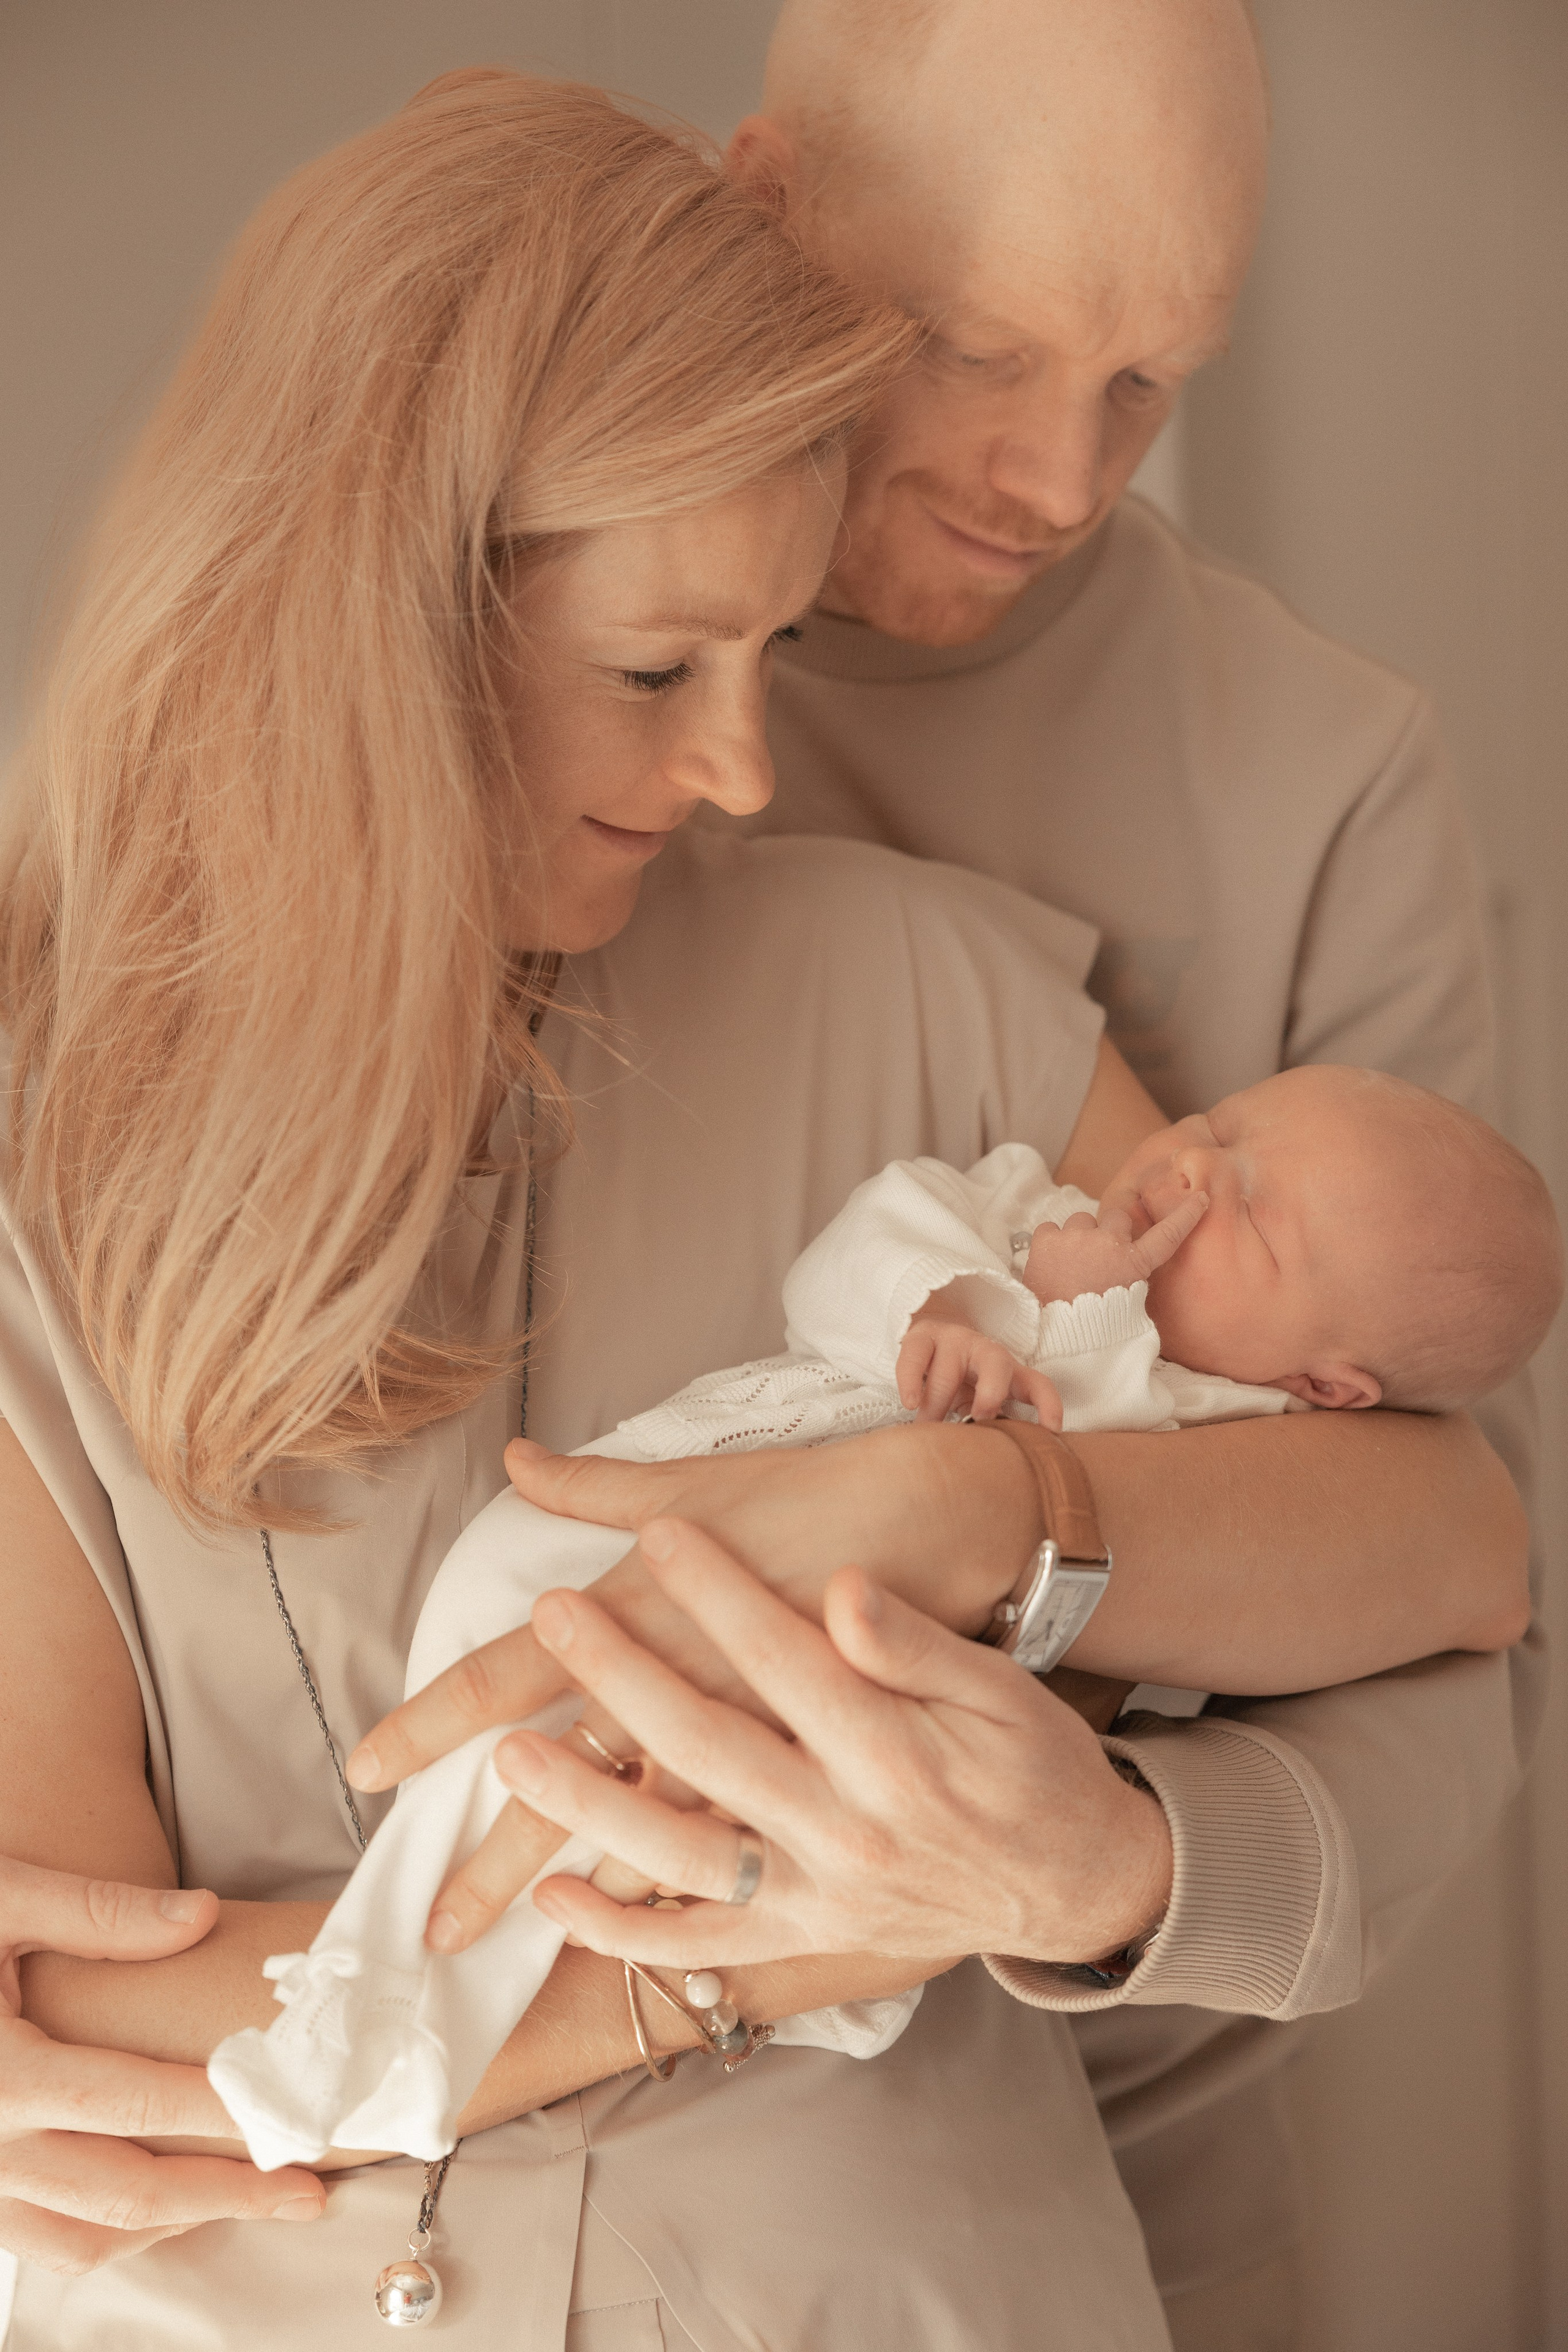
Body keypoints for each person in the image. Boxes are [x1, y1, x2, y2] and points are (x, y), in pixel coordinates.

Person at [349, 5, 1544, 2346]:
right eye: (981, 345)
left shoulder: (1322, 783)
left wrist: (1079, 1805)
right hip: (393, 2162)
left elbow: (1458, 1575)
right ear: (765, 196)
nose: (1065, 476)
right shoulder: (454, 649)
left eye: (1149, 382)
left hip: (1070, 2197)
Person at [205, 1063, 1553, 2177]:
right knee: (524, 1724)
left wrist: (1078, 1315)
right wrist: (961, 1304)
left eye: (1254, 1217)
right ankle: (368, 2006)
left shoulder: (1232, 1440)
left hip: (823, 1712)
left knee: (611, 1838)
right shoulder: (1027, 1210)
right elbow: (858, 1255)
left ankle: (388, 2033)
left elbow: (1161, 1512)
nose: (1196, 1166)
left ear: (1324, 1389)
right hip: (638, 1532)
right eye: (1220, 1126)